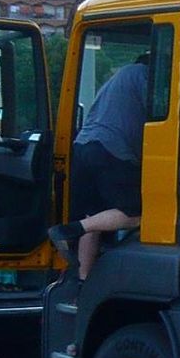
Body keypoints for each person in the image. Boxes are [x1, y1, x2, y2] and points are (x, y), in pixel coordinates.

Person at [48, 57, 148, 280]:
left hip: (83, 147)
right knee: (141, 212)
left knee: (95, 218)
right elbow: (162, 112)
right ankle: (69, 230)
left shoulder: (118, 78)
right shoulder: (143, 74)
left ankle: (83, 283)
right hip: (110, 149)